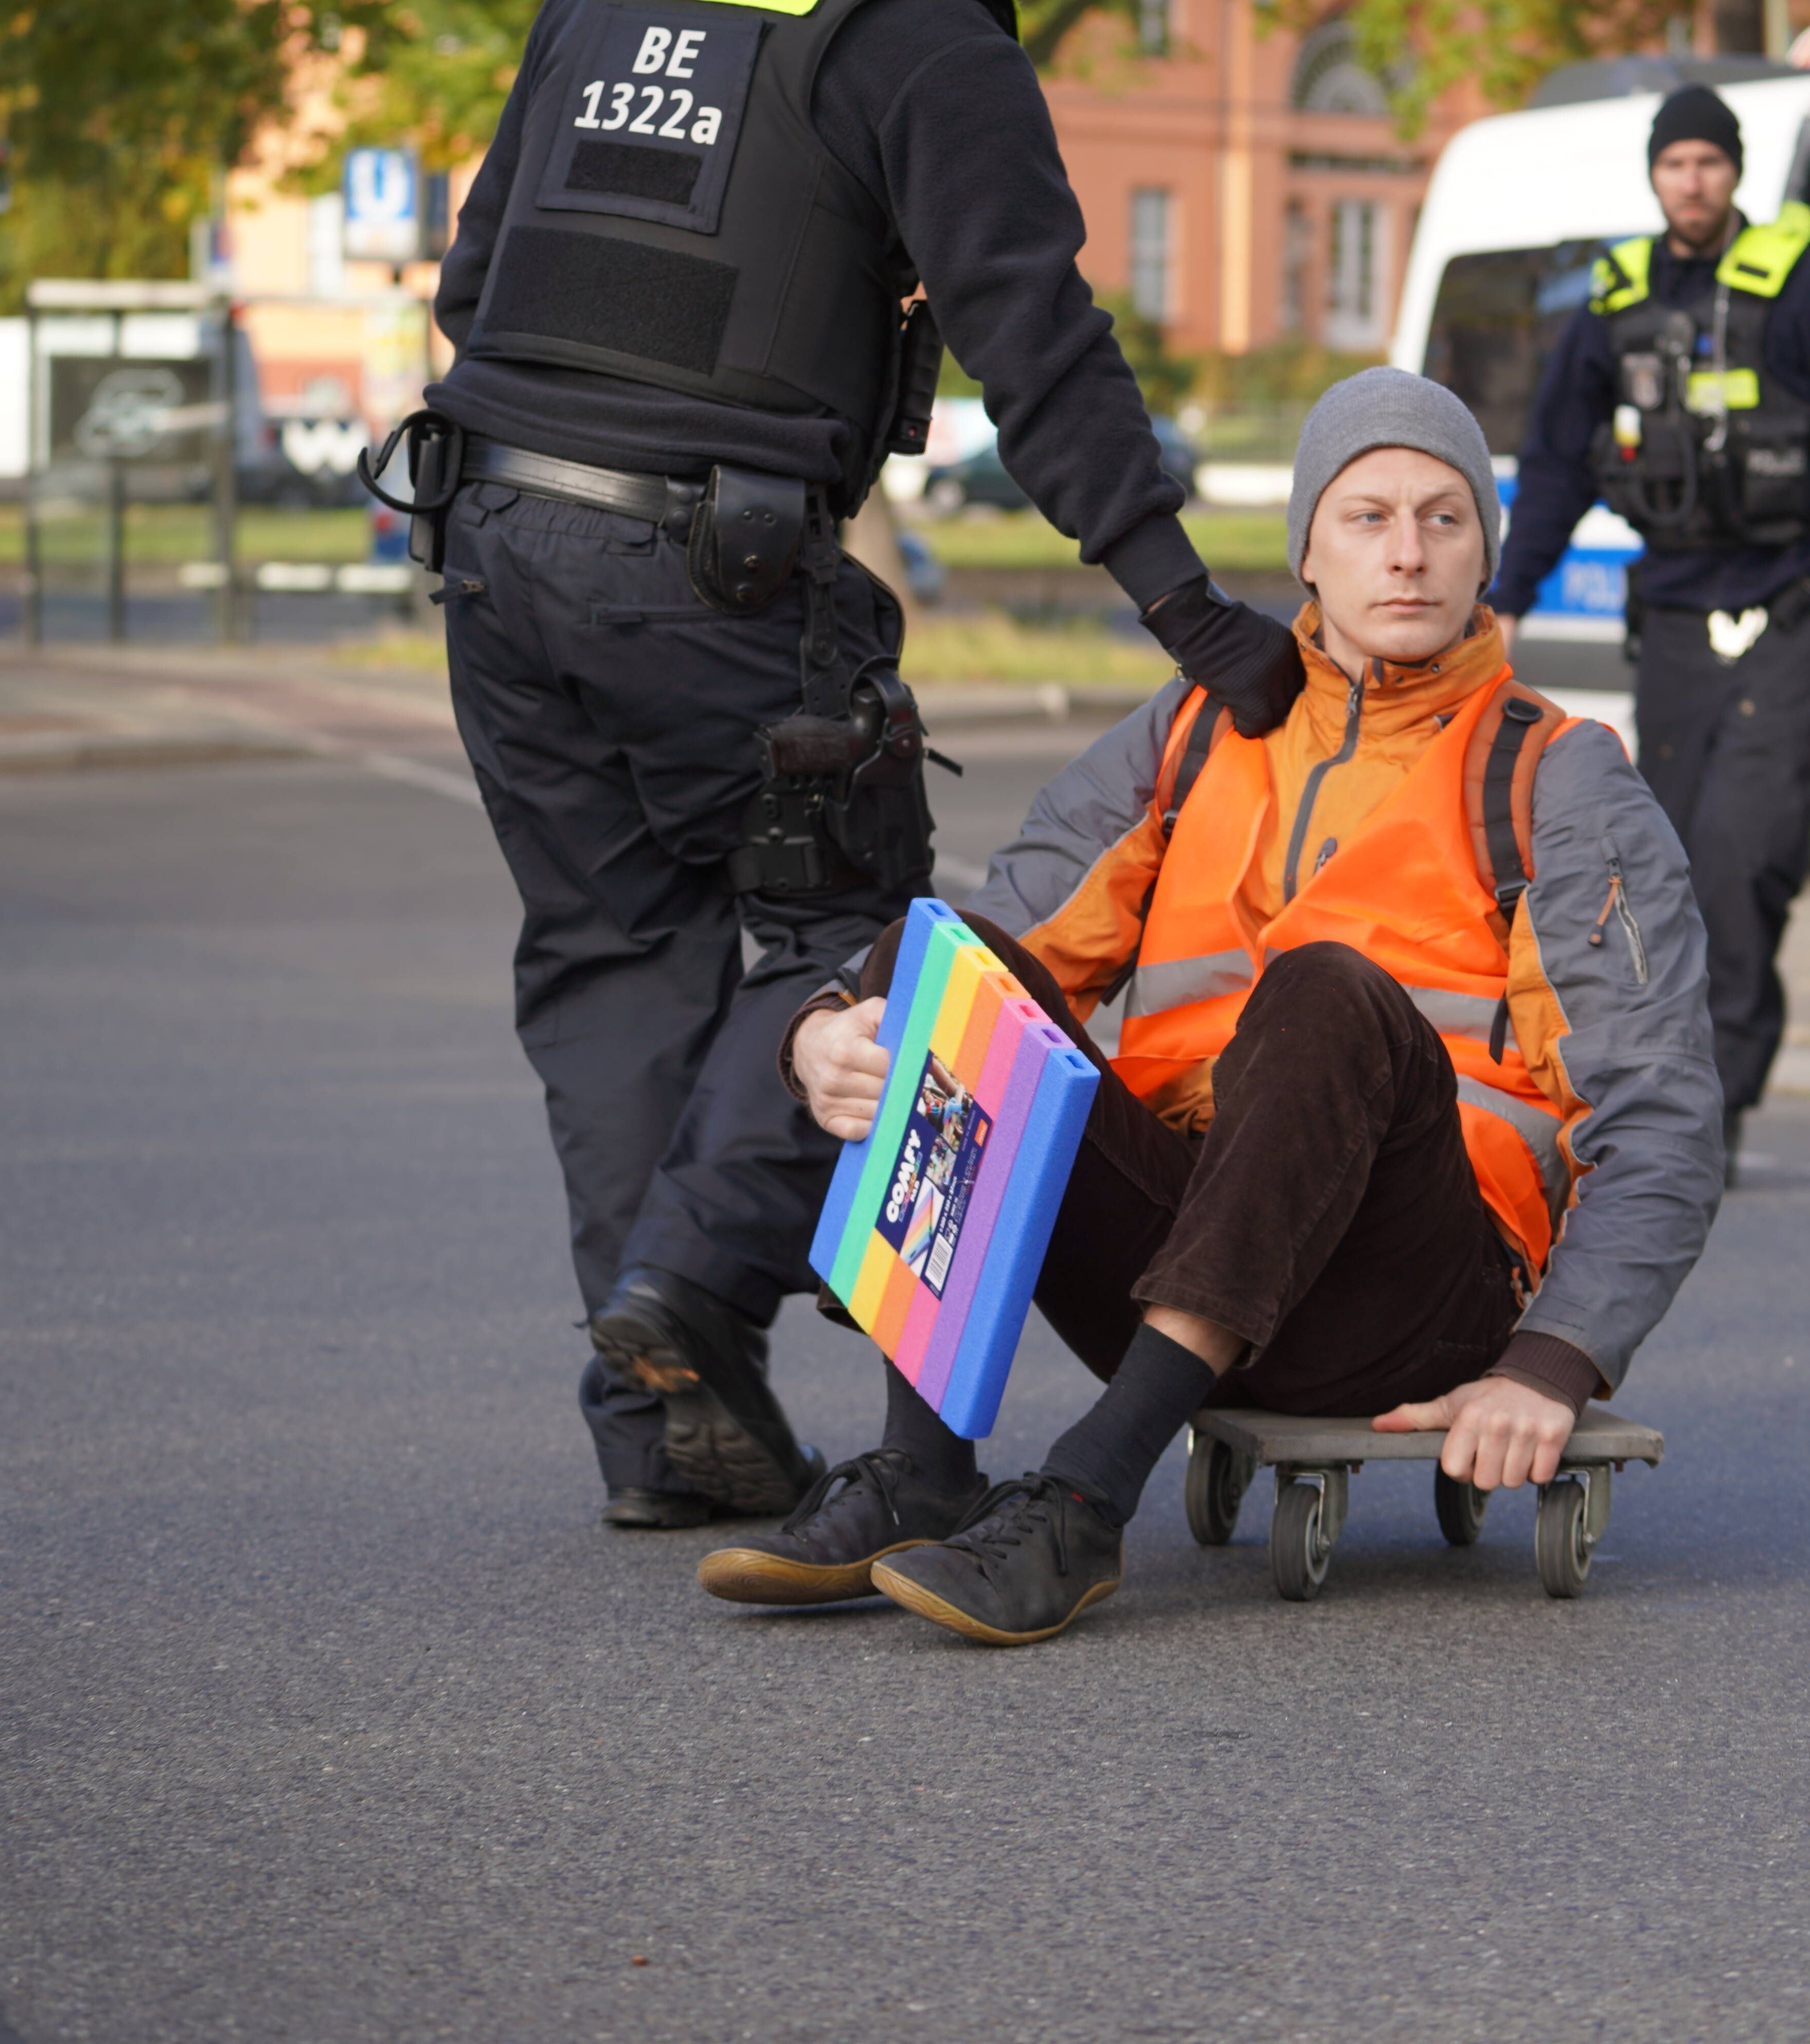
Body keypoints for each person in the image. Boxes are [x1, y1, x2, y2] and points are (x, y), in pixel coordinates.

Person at [411, 0, 1308, 1529]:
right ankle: (692, 1287)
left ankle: (661, 1428)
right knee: (869, 952)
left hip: (488, 532)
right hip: (704, 556)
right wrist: (1189, 607)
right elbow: (1035, 336)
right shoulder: (914, 34)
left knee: (612, 958)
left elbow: (473, 282)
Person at [700, 370, 1723, 1645]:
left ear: (1485, 552)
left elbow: (1665, 1114)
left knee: (1325, 987)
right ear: (1307, 547)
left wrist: (1552, 1359)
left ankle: (1086, 1492)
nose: (1407, 552)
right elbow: (992, 943)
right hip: (1187, 1248)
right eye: (1367, 516)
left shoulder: (1555, 775)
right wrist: (826, 1033)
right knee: (946, 958)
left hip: (1407, 1295)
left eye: (1445, 517)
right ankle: (924, 1467)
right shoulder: (1193, 733)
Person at [1487, 86, 1810, 1183]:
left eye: (1709, 163)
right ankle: (1671, 1100)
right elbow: (1553, 460)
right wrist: (1505, 596)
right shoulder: (1614, 303)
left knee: (1745, 863)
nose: (1692, 181)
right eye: (1674, 163)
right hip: (1674, 620)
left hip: (1788, 620)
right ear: (1654, 175)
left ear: (1736, 173)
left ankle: (1717, 1104)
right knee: (1664, 873)